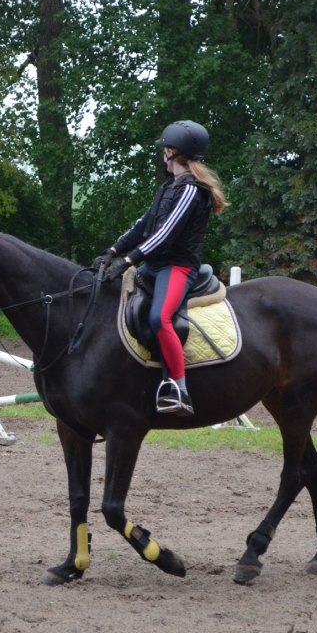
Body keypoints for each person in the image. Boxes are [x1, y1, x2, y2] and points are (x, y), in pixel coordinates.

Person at [95, 120, 228, 415]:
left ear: (172, 151)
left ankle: (179, 389)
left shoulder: (193, 191)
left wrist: (129, 260)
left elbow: (166, 234)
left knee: (160, 318)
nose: (162, 154)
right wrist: (113, 250)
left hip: (177, 267)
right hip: (153, 264)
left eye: (164, 149)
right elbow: (144, 226)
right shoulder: (168, 187)